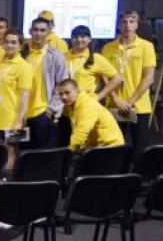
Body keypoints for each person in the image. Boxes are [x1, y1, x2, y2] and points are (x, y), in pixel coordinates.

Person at [102, 11, 156, 154]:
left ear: (137, 25)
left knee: (140, 149)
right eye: (124, 22)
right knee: (114, 148)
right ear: (118, 25)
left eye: (132, 22)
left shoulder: (146, 46)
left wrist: (130, 101)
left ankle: (138, 169)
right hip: (114, 104)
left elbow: (148, 78)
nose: (128, 25)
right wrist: (116, 99)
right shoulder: (108, 48)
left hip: (139, 106)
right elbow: (104, 77)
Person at [23, 17, 68, 148]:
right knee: (23, 153)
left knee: (44, 154)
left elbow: (63, 84)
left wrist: (51, 109)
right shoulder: (22, 53)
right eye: (35, 30)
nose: (38, 33)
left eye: (42, 30)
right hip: (22, 114)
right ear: (30, 31)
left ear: (48, 32)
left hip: (44, 113)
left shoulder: (56, 56)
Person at [0, 30, 32, 170]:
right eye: (7, 42)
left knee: (10, 149)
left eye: (13, 42)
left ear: (20, 46)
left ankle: (7, 178)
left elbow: (25, 97)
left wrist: (19, 121)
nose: (9, 45)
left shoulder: (24, 67)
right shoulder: (0, 63)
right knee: (0, 149)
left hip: (12, 117)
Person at [57, 79, 124, 152]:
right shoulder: (72, 105)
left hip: (111, 148)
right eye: (60, 94)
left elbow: (81, 134)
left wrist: (69, 152)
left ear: (77, 91)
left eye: (67, 93)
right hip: (96, 147)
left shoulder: (86, 105)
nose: (64, 97)